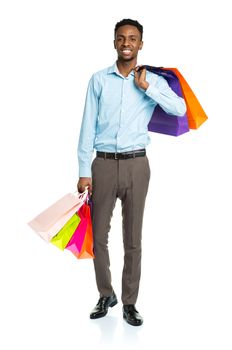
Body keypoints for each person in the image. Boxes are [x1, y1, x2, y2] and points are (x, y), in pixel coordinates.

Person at [77, 18, 186, 326]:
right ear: (114, 42)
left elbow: (179, 109)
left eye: (133, 38)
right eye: (121, 37)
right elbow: (87, 126)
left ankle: (129, 302)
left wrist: (148, 87)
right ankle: (105, 294)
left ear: (141, 44)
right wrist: (85, 169)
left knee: (133, 238)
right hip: (103, 164)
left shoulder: (151, 79)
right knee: (97, 235)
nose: (127, 42)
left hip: (138, 164)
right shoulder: (98, 80)